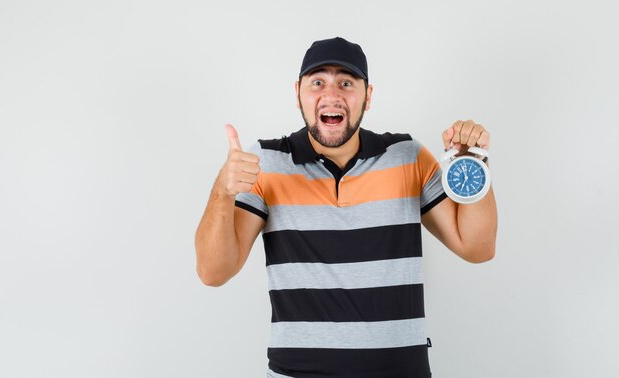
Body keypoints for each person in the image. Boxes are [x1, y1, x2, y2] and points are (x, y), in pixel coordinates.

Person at [195, 36, 497, 378]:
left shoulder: (407, 156)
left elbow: (477, 248)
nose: (332, 94)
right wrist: (222, 190)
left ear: (367, 96)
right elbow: (212, 272)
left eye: (346, 83)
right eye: (318, 82)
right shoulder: (267, 162)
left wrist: (473, 163)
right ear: (298, 94)